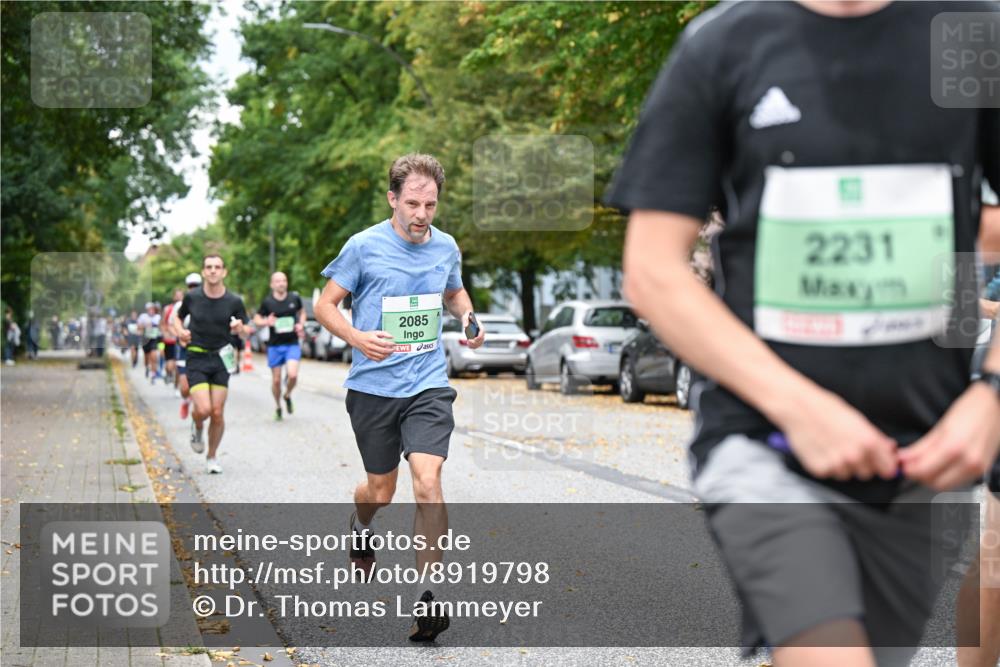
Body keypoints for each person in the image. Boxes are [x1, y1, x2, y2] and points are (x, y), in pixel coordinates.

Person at [607, 2, 1000, 666]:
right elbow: (651, 270)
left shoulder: (970, 37)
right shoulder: (722, 46)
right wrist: (803, 409)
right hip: (768, 443)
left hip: (919, 461)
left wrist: (990, 395)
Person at [315, 153, 485, 642]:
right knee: (381, 492)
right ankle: (361, 522)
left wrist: (468, 318)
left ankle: (429, 595)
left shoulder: (446, 246)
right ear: (393, 199)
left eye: (430, 204)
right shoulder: (363, 247)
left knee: (427, 480)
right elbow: (325, 305)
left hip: (427, 382)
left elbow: (454, 293)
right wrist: (358, 338)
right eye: (412, 203)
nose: (421, 214)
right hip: (373, 389)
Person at [172, 255, 249, 474]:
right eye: (209, 267)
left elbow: (245, 330)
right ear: (204, 272)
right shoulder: (192, 297)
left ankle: (212, 456)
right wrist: (180, 332)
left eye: (217, 267)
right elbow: (177, 319)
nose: (213, 271)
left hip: (222, 358)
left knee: (217, 412)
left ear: (224, 272)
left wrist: (240, 329)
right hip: (196, 356)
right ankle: (197, 426)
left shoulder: (234, 301)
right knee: (203, 409)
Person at [253, 272, 306, 421]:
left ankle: (287, 395)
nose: (281, 283)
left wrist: (301, 324)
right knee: (276, 381)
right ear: (272, 284)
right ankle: (278, 406)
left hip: (292, 344)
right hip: (275, 345)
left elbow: (302, 313)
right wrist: (266, 322)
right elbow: (256, 319)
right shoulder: (267, 302)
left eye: (284, 280)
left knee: (293, 375)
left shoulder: (294, 298)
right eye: (277, 281)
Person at [174, 273, 204, 419]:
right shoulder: (181, 305)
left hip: (203, 351)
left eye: (196, 286)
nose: (193, 289)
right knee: (185, 388)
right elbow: (174, 322)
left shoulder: (207, 303)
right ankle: (186, 400)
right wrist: (180, 334)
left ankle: (197, 415)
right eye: (191, 286)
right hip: (185, 349)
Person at [162, 289, 184, 390]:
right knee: (170, 364)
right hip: (170, 340)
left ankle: (177, 386)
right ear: (174, 297)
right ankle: (168, 374)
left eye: (181, 295)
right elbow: (163, 324)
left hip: (182, 340)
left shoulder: (186, 307)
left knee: (178, 365)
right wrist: (166, 333)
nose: (179, 297)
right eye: (177, 295)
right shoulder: (168, 309)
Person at [137, 302, 162, 382]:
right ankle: (147, 367)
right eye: (150, 309)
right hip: (145, 339)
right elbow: (139, 327)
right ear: (147, 310)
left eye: (153, 309)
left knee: (154, 357)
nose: (151, 311)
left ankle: (153, 375)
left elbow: (161, 326)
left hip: (154, 339)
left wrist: (157, 327)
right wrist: (145, 326)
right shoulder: (143, 317)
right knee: (146, 357)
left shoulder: (158, 317)